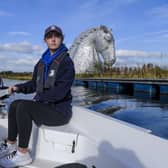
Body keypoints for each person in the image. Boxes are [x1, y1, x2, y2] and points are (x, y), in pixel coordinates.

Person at [0, 25, 75, 168]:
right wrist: (17, 88)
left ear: (61, 39)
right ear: (45, 40)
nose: (53, 39)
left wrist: (39, 99)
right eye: (49, 36)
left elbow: (60, 92)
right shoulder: (41, 63)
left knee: (24, 106)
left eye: (56, 36)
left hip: (59, 112)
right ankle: (10, 145)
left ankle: (23, 154)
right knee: (15, 105)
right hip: (45, 107)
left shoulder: (66, 63)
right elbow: (34, 84)